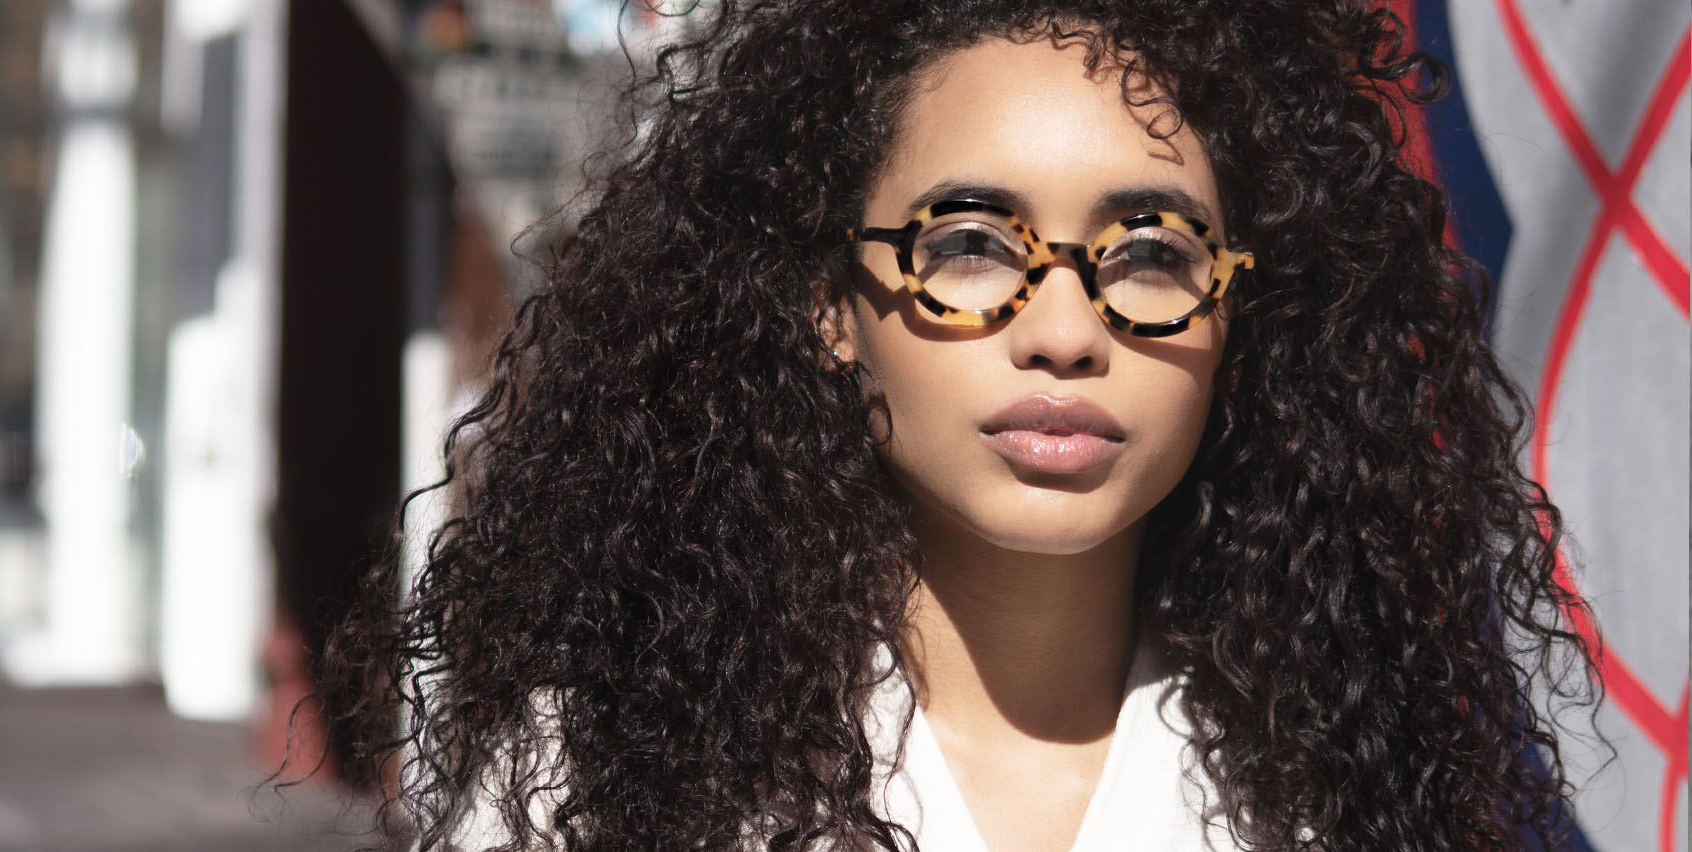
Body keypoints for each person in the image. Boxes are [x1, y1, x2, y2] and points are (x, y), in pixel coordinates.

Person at [303, 1, 1603, 849]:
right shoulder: (598, 780)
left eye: (1152, 250)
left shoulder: (1359, 787)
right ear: (828, 305)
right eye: (971, 244)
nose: (1065, 328)